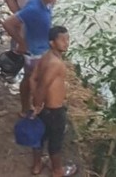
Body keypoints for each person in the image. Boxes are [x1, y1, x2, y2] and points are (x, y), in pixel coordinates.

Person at [3, 0, 60, 117]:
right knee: (34, 82)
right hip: (34, 52)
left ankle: (27, 108)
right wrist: (21, 42)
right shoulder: (34, 8)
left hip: (42, 49)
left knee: (30, 80)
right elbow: (8, 23)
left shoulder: (45, 3)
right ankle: (32, 110)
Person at [30, 26, 71, 177]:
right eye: (62, 40)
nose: (66, 43)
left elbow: (32, 79)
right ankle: (58, 171)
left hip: (44, 109)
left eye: (68, 39)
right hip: (54, 110)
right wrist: (38, 104)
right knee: (56, 142)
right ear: (52, 43)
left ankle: (36, 166)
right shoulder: (56, 64)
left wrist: (37, 104)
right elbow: (42, 85)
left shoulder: (45, 57)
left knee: (39, 138)